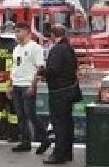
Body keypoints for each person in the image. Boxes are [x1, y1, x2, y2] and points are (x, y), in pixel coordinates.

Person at [41, 25, 79, 165]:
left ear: (52, 35)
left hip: (59, 92)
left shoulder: (57, 49)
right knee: (68, 122)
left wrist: (41, 72)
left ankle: (58, 154)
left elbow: (53, 70)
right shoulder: (69, 48)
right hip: (70, 90)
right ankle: (67, 152)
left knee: (59, 124)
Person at [10, 22, 49, 154]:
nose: (16, 34)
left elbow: (39, 68)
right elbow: (14, 67)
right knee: (20, 115)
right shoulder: (16, 48)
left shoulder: (35, 48)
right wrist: (11, 84)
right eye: (15, 31)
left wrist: (33, 85)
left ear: (27, 32)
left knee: (31, 114)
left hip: (27, 85)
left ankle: (45, 139)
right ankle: (25, 142)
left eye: (18, 31)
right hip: (17, 84)